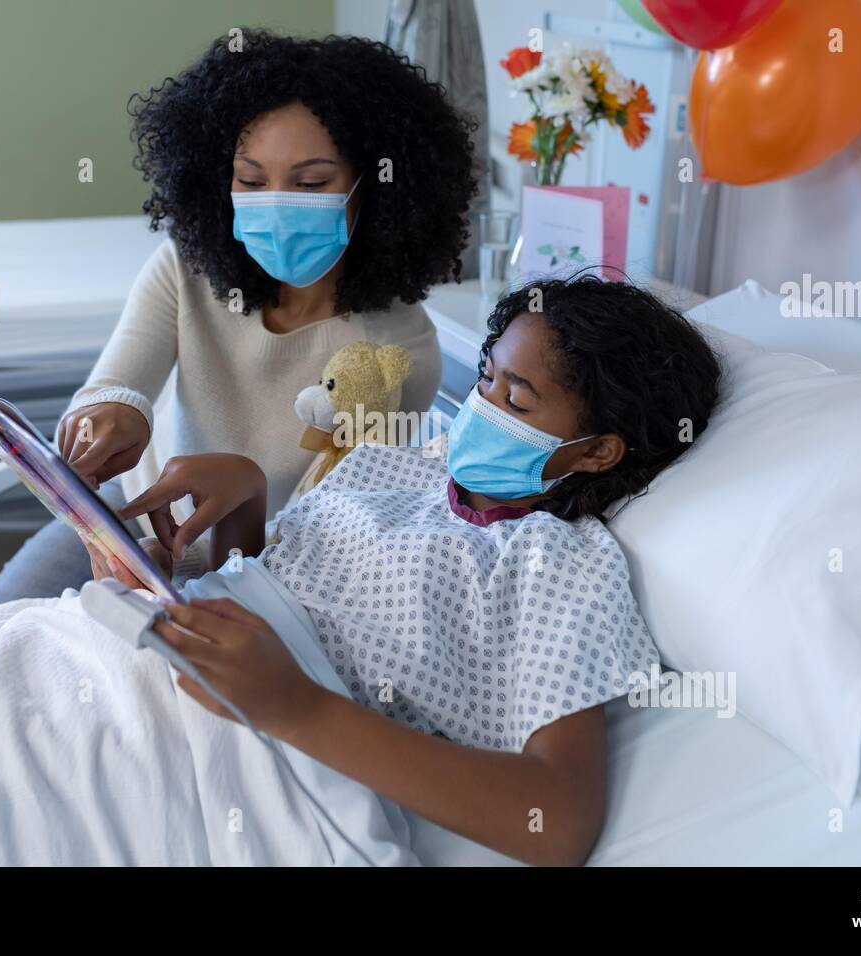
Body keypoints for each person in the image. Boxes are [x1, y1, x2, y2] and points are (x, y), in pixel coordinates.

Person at [89, 276, 723, 865]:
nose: (484, 406)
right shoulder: (399, 466)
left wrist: (298, 709)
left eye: (517, 400)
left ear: (597, 451)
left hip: (234, 741)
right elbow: (283, 591)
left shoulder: (557, 564)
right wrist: (240, 507)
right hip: (156, 647)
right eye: (486, 377)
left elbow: (556, 820)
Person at [0, 29, 478, 599]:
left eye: (311, 182)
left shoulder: (397, 355)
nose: (274, 200)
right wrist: (109, 418)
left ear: (374, 190)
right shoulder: (185, 267)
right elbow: (112, 387)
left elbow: (325, 547)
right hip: (130, 518)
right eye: (250, 180)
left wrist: (188, 561)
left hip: (259, 569)